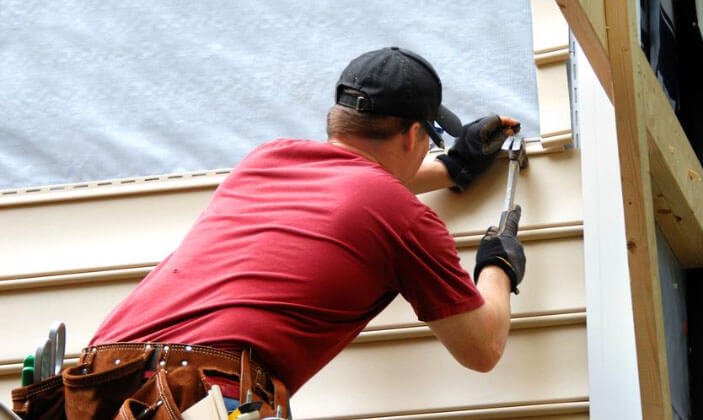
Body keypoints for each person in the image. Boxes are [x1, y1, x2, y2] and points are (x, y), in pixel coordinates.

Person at [11, 46, 526, 419]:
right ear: (415, 135)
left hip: (98, 388)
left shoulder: (266, 160)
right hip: (197, 398)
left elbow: (350, 193)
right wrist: (496, 267)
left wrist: (453, 168)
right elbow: (481, 349)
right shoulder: (401, 217)